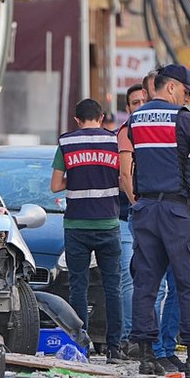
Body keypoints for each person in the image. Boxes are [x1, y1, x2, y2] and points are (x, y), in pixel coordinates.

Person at [121, 63, 190, 378]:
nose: (186, 99)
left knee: (146, 285)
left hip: (146, 211)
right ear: (172, 87)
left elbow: (132, 165)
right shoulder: (186, 120)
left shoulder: (135, 120)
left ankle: (147, 358)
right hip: (178, 213)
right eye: (186, 92)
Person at [51, 98, 125, 364]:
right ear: (102, 116)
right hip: (108, 224)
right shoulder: (115, 141)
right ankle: (115, 349)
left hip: (77, 225)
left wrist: (79, 176)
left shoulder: (67, 143)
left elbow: (56, 185)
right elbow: (123, 177)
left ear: (76, 120)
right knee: (112, 287)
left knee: (78, 287)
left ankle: (80, 346)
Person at [116, 84, 147, 357]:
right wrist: (136, 203)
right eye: (134, 102)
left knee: (154, 281)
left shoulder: (154, 132)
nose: (138, 106)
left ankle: (150, 337)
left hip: (150, 215)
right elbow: (123, 176)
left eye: (142, 101)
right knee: (129, 277)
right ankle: (129, 338)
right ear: (128, 108)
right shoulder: (125, 133)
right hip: (127, 216)